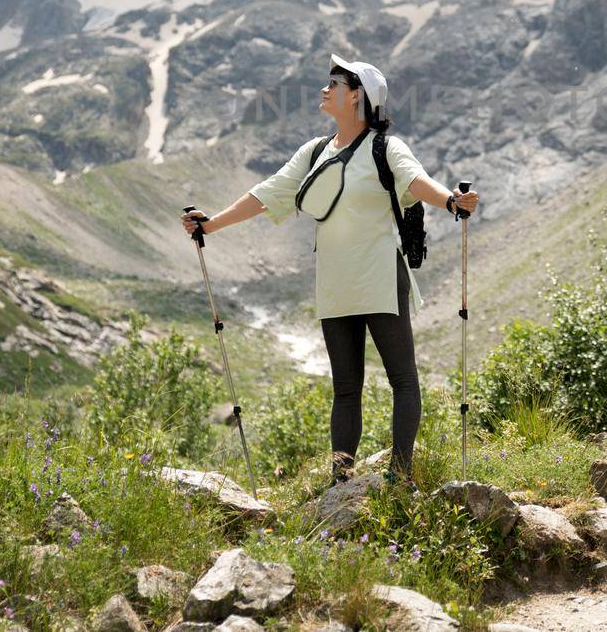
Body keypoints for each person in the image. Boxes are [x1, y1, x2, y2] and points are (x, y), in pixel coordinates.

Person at [181, 54, 479, 484]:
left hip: (379, 276)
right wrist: (212, 224)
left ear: (357, 95)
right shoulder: (315, 152)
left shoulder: (386, 148)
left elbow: (415, 181)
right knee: (345, 388)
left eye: (335, 83)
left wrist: (450, 201)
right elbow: (267, 193)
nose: (325, 89)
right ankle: (341, 480)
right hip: (335, 280)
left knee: (402, 378)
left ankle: (401, 474)